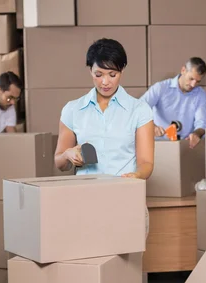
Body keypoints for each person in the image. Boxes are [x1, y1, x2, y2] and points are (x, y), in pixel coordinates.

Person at [54, 38, 154, 235]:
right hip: (85, 202)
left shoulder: (139, 110)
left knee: (127, 263)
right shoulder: (73, 109)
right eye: (98, 74)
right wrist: (68, 155)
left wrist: (137, 175)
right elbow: (59, 163)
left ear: (122, 71)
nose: (105, 82)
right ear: (90, 70)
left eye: (112, 74)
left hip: (126, 200)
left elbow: (146, 162)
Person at [141, 57, 206, 149]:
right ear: (183, 70)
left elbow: (202, 123)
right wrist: (150, 125)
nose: (193, 85)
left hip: (185, 148)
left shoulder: (200, 94)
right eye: (191, 79)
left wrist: (197, 134)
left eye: (197, 81)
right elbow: (138, 109)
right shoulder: (161, 88)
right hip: (157, 147)